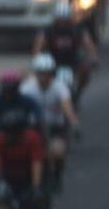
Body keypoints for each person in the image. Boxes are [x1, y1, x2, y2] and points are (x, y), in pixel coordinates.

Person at [20, 54, 79, 193]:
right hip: (33, 128)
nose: (43, 77)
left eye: (47, 73)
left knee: (58, 152)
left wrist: (74, 123)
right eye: (40, 73)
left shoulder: (60, 87)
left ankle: (57, 176)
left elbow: (67, 107)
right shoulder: (27, 88)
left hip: (55, 128)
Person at [33, 3, 99, 106]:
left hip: (72, 60)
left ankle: (78, 92)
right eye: (60, 20)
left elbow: (88, 44)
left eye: (65, 20)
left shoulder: (78, 30)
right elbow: (38, 45)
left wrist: (93, 57)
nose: (62, 24)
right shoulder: (47, 31)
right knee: (41, 76)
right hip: (53, 61)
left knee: (85, 70)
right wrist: (37, 59)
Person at [0, 109, 45, 209]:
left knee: (35, 197)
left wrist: (36, 186)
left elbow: (36, 163)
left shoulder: (32, 138)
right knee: (0, 197)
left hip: (28, 174)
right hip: (8, 173)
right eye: (7, 132)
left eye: (12, 133)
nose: (9, 136)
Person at [0, 71, 43, 157]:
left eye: (12, 89)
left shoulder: (28, 101)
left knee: (34, 139)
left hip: (23, 135)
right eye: (6, 89)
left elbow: (40, 121)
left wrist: (44, 145)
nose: (9, 92)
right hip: (4, 135)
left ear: (17, 87)